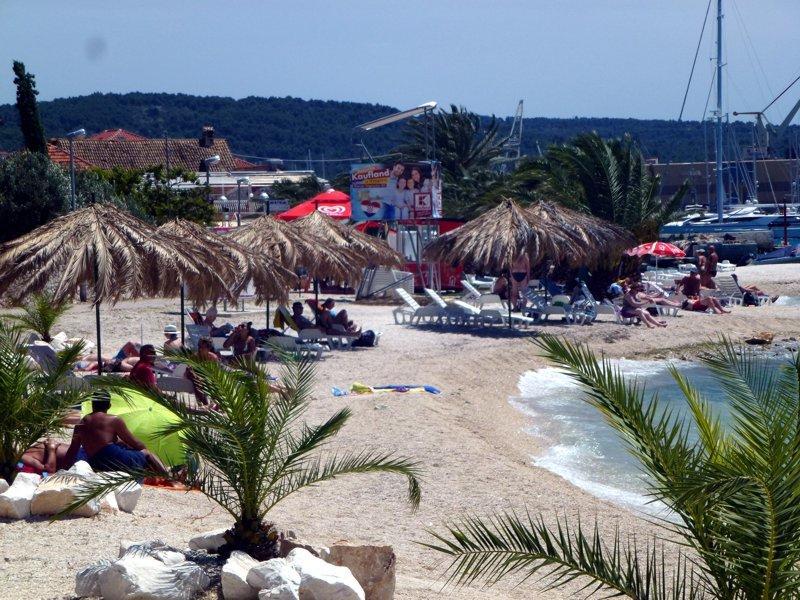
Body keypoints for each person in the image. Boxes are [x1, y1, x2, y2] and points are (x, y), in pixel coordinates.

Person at [63, 391, 168, 475]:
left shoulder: (80, 424)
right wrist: (142, 450)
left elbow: (72, 451)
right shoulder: (113, 420)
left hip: (96, 463)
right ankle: (170, 479)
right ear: (109, 405)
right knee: (147, 454)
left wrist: (64, 469)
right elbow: (137, 444)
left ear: (92, 404)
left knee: (120, 443)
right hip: (114, 460)